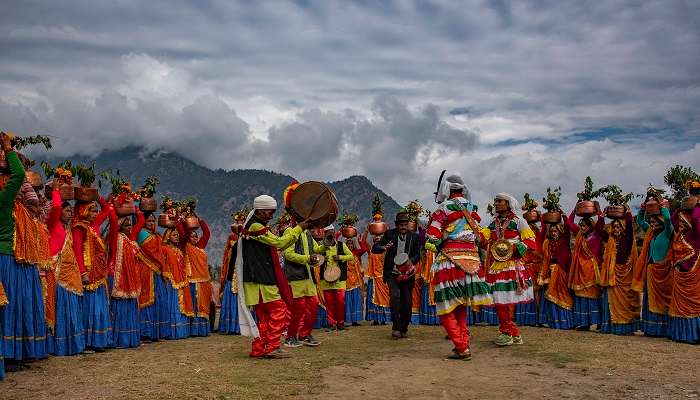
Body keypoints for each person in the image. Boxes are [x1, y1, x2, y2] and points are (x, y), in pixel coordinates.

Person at [234, 195, 310, 359]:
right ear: (260, 211)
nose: (271, 216)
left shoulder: (255, 224)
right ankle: (273, 346)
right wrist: (299, 228)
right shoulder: (255, 225)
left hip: (256, 278)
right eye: (269, 212)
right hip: (261, 278)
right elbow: (280, 243)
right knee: (279, 310)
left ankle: (260, 348)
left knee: (265, 316)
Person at [425, 175, 492, 359]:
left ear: (447, 191)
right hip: (472, 261)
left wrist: (435, 243)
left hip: (450, 261)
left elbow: (432, 237)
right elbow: (480, 234)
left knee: (445, 306)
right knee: (460, 306)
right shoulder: (472, 209)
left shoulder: (443, 208)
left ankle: (461, 347)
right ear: (463, 190)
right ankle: (463, 345)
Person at [0, 132, 47, 369]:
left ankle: (21, 352)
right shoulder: (4, 200)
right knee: (12, 308)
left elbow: (36, 199)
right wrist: (8, 148)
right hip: (7, 259)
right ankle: (9, 355)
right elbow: (18, 174)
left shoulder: (22, 210)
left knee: (22, 306)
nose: (21, 189)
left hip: (18, 259)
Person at [481, 193, 536, 346]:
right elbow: (482, 238)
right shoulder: (493, 223)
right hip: (497, 266)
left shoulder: (519, 221)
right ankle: (514, 333)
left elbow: (531, 241)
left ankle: (506, 332)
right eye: (495, 201)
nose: (496, 204)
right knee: (501, 300)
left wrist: (512, 248)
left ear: (508, 204)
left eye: (499, 201)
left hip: (512, 265)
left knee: (503, 300)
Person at [46, 180, 85, 355]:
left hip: (70, 273)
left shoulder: (66, 228)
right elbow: (54, 208)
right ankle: (61, 346)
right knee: (61, 309)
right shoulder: (53, 224)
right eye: (66, 210)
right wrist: (56, 191)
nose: (69, 213)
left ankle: (74, 345)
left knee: (72, 310)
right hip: (58, 272)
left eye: (70, 210)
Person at [372, 212, 421, 339]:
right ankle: (396, 328)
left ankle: (404, 327)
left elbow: (417, 254)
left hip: (407, 275)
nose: (403, 227)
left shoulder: (414, 237)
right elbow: (374, 248)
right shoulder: (389, 234)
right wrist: (383, 247)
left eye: (405, 224)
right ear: (397, 225)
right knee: (395, 298)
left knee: (408, 303)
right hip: (392, 274)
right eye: (401, 225)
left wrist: (411, 261)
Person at [633, 199, 673, 337]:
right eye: (652, 222)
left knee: (661, 301)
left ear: (661, 222)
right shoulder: (650, 233)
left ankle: (662, 330)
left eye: (655, 221)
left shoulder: (668, 233)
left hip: (663, 272)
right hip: (650, 271)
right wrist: (643, 209)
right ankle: (650, 329)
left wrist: (663, 207)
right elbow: (640, 222)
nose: (653, 224)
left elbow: (668, 219)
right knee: (649, 300)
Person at [597, 206, 640, 335]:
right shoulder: (610, 239)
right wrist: (601, 216)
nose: (616, 229)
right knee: (611, 302)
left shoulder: (627, 239)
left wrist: (627, 213)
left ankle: (625, 328)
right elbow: (599, 230)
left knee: (625, 304)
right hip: (612, 276)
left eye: (618, 227)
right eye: (614, 227)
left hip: (624, 277)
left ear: (622, 228)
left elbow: (630, 229)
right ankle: (611, 327)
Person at [106, 205, 143, 349]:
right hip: (116, 277)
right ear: (120, 225)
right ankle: (118, 340)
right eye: (126, 225)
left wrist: (134, 204)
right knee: (119, 310)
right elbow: (113, 222)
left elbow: (140, 222)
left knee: (129, 309)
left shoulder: (130, 239)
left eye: (130, 225)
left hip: (130, 280)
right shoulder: (115, 237)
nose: (129, 227)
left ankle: (130, 340)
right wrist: (112, 206)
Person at [282, 222, 322, 347]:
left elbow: (316, 249)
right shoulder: (290, 231)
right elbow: (287, 254)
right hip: (296, 276)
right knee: (298, 308)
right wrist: (307, 258)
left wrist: (326, 244)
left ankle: (305, 335)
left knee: (314, 305)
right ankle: (290, 336)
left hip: (309, 276)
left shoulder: (307, 233)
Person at [565, 207, 605, 330]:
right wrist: (574, 210)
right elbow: (569, 223)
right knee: (581, 296)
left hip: (592, 270)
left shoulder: (596, 235)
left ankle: (598, 321)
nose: (581, 228)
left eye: (583, 226)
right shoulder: (579, 235)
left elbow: (600, 224)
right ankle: (584, 323)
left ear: (590, 226)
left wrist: (599, 212)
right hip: (579, 271)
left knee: (593, 296)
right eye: (580, 225)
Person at [667, 205, 700, 343]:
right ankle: (680, 334)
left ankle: (694, 335)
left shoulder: (695, 236)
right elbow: (672, 219)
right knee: (679, 306)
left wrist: (697, 205)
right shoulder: (678, 236)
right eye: (679, 222)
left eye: (683, 222)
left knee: (692, 306)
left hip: (691, 275)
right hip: (678, 275)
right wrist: (682, 208)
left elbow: (696, 220)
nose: (679, 224)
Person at [136, 212, 170, 341]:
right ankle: (146, 333)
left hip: (157, 272)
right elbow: (154, 253)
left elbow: (161, 253)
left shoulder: (156, 236)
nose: (151, 223)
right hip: (146, 270)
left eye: (153, 221)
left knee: (159, 300)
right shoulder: (142, 233)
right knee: (147, 300)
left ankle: (158, 332)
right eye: (149, 221)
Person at [536, 217, 574, 330]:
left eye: (555, 231)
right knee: (548, 294)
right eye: (551, 231)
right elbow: (542, 235)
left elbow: (568, 228)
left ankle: (564, 322)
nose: (553, 233)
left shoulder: (564, 241)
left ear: (559, 231)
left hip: (561, 272)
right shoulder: (547, 243)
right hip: (550, 271)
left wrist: (565, 216)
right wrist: (542, 219)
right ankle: (550, 321)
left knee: (561, 294)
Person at [179, 217, 213, 337]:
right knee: (194, 306)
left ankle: (202, 330)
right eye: (192, 236)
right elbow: (185, 234)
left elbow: (207, 233)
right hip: (193, 281)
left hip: (204, 281)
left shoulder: (200, 247)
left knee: (203, 306)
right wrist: (182, 221)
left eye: (195, 236)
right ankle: (193, 331)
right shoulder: (186, 246)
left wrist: (200, 220)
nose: (194, 238)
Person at [318, 225, 355, 332]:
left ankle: (340, 323)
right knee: (329, 302)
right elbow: (316, 259)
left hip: (339, 279)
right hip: (325, 279)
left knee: (340, 301)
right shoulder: (321, 247)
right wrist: (322, 258)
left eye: (331, 232)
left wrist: (340, 257)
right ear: (324, 234)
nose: (330, 234)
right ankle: (331, 323)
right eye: (327, 232)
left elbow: (351, 256)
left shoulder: (341, 245)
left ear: (334, 233)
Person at [161, 226, 193, 339]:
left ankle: (181, 331)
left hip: (182, 281)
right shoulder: (164, 249)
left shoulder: (179, 250)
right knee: (173, 305)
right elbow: (163, 264)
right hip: (171, 282)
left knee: (181, 307)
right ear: (168, 236)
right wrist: (166, 276)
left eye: (178, 235)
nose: (177, 237)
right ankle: (172, 332)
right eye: (174, 235)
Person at [219, 220, 242, 335]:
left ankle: (240, 326)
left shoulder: (245, 241)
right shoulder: (232, 241)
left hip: (242, 274)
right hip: (233, 273)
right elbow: (228, 257)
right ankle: (232, 326)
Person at [365, 234, 392, 325]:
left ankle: (384, 319)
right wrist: (366, 231)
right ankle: (376, 319)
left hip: (382, 278)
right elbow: (364, 242)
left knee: (384, 299)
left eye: (379, 240)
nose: (377, 241)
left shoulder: (385, 251)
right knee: (373, 299)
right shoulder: (371, 251)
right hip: (373, 278)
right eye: (376, 240)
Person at [344, 231, 367, 327]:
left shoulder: (356, 253)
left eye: (351, 244)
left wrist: (360, 241)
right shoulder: (343, 254)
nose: (350, 246)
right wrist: (339, 234)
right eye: (348, 244)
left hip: (357, 281)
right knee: (348, 300)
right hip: (347, 281)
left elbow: (364, 249)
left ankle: (355, 321)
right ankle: (347, 320)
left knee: (356, 300)